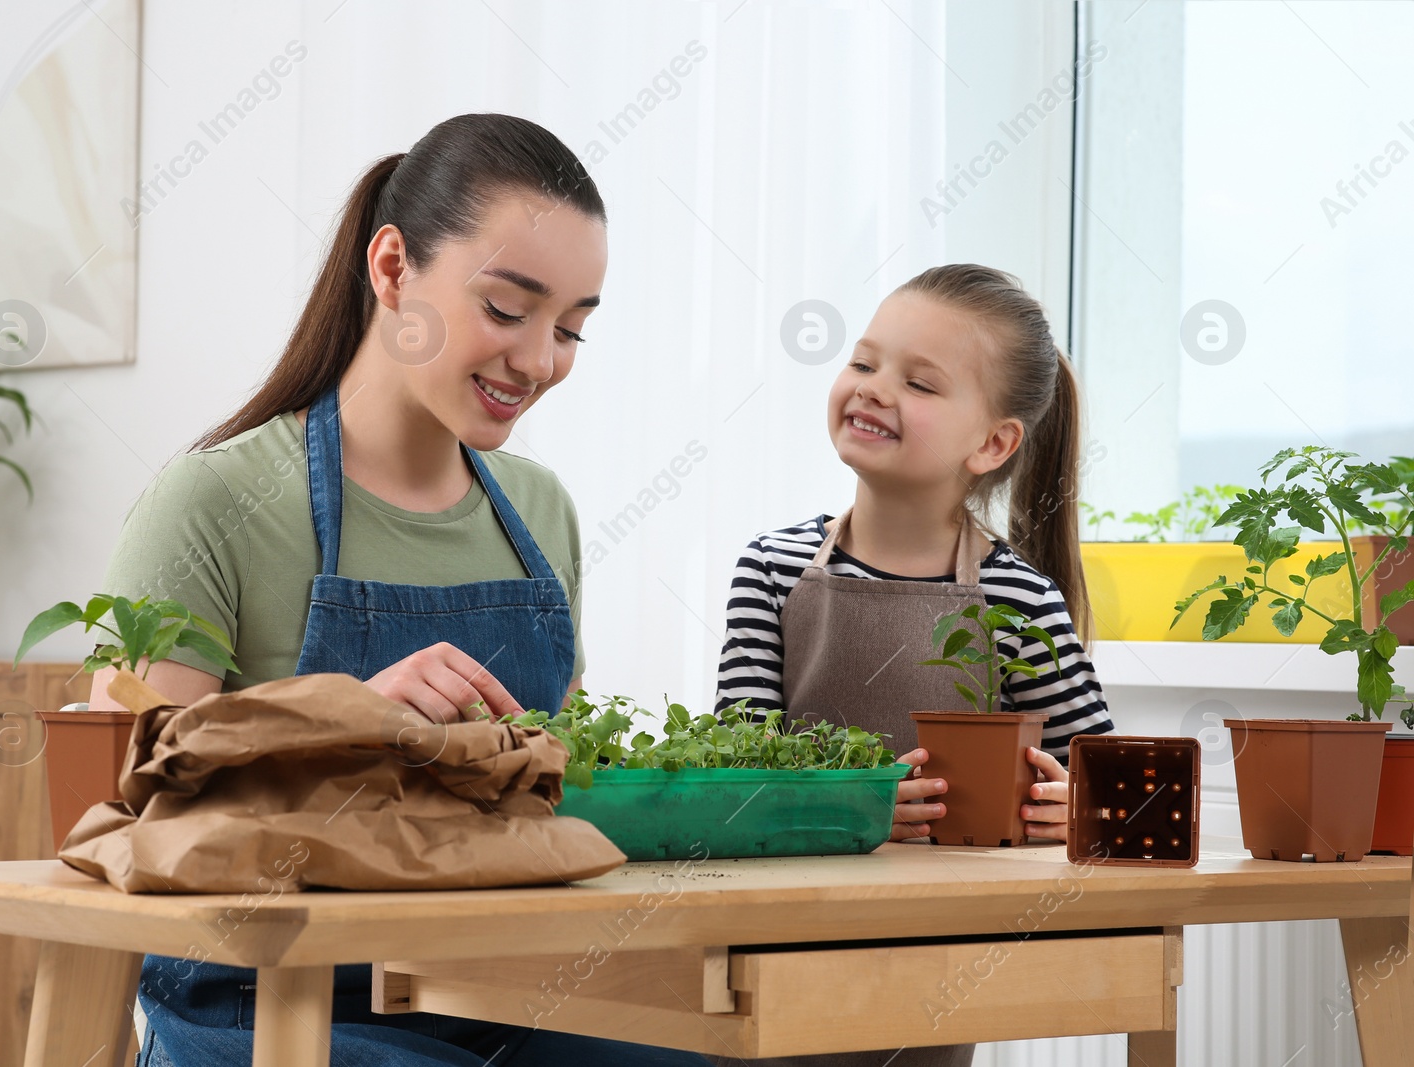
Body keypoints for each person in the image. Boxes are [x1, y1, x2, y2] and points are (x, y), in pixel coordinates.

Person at [93, 113, 709, 1067]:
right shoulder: (212, 500)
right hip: (262, 1001)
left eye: (573, 328)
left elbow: (555, 792)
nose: (540, 360)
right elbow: (128, 804)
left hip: (497, 984)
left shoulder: (540, 512)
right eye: (508, 309)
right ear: (392, 271)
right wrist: (343, 717)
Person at [712, 265, 1116, 1067]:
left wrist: (1077, 805)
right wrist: (853, 803)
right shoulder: (773, 568)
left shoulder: (1019, 599)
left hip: (942, 954)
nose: (874, 389)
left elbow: (1104, 784)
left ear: (994, 443)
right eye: (864, 363)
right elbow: (732, 772)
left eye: (920, 382)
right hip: (775, 940)